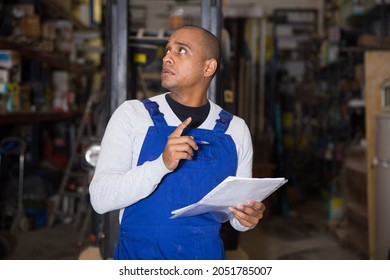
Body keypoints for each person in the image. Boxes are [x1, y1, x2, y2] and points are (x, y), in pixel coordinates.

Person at [89, 25, 266, 260]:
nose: (167, 58)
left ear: (208, 67)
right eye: (168, 50)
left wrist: (247, 218)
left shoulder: (235, 130)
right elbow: (100, 198)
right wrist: (161, 164)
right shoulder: (133, 115)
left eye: (181, 51)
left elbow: (236, 217)